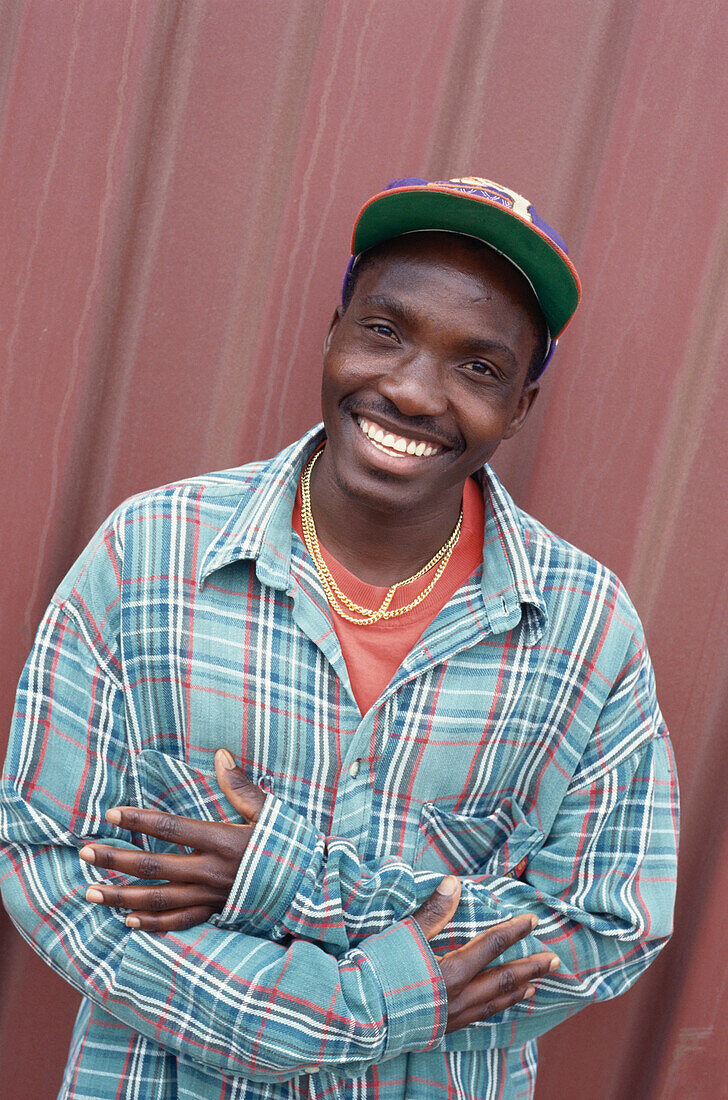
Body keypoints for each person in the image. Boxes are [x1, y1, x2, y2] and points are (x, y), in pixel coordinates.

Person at [0, 176, 678, 1099]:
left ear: (520, 406)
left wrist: (291, 882)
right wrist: (362, 1009)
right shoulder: (150, 554)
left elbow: (608, 924)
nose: (410, 390)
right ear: (332, 334)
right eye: (385, 332)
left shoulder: (585, 629)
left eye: (479, 367)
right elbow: (45, 855)